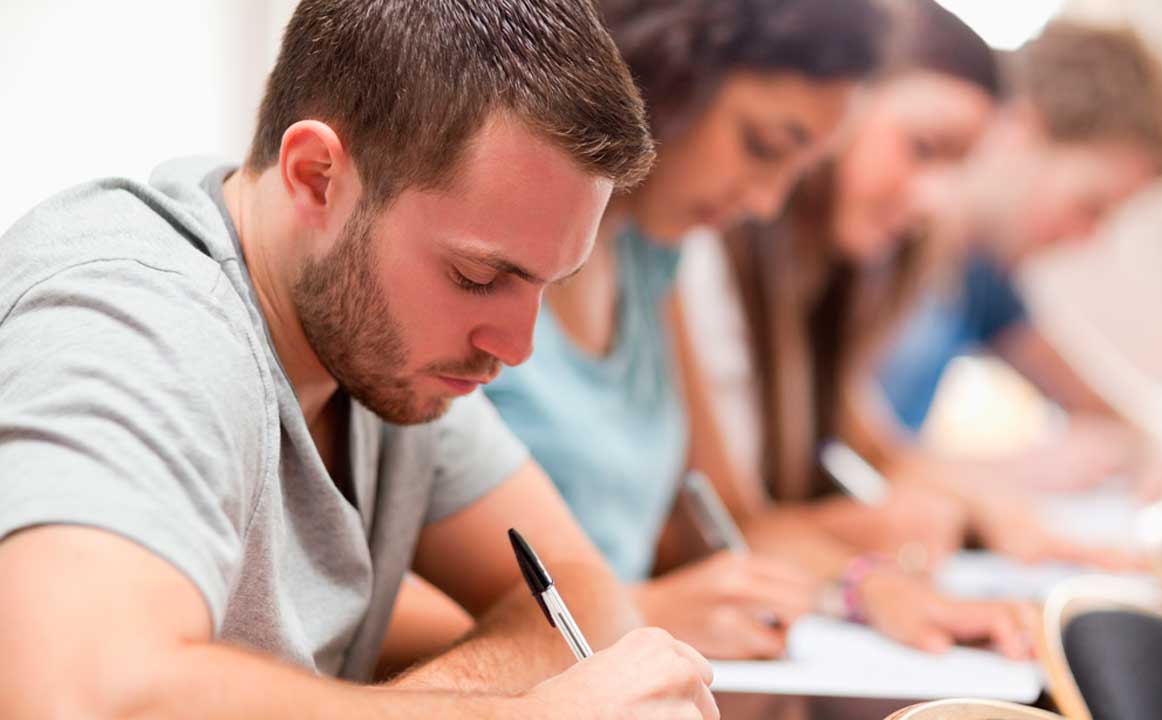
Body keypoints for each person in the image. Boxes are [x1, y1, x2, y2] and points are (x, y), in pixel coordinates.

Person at [0, 2, 720, 718]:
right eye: (478, 278)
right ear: (315, 176)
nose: (517, 346)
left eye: (545, 285)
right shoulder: (136, 320)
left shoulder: (384, 354)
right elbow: (80, 696)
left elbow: (582, 592)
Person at [673, 0, 1039, 656]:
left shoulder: (818, 283)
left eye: (956, 168)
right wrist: (859, 567)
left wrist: (1001, 515)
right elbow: (720, 523)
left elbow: (879, 449)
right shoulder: (698, 256)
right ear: (838, 109)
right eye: (921, 149)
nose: (935, 201)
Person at [868, 20, 1162, 556]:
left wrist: (1156, 454)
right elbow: (830, 461)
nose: (1086, 238)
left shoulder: (980, 279)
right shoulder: (874, 241)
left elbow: (1097, 405)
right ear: (1021, 131)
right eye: (1091, 206)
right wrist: (1004, 471)